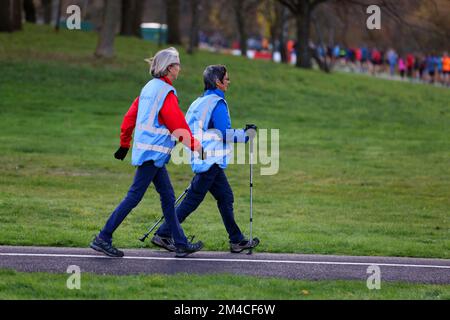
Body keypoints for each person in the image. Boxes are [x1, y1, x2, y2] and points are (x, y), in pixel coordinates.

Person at [90, 47, 204, 258]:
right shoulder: (166, 92)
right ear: (170, 68)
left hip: (150, 153)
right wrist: (194, 145)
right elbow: (176, 123)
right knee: (134, 196)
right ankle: (103, 237)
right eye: (178, 65)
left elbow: (129, 117)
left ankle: (180, 242)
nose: (180, 69)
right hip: (153, 153)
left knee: (168, 197)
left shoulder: (148, 88)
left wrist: (125, 143)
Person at [152, 65, 260, 254]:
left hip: (203, 157)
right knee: (192, 200)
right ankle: (164, 233)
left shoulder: (198, 102)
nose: (229, 82)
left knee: (225, 197)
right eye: (226, 79)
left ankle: (237, 240)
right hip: (210, 158)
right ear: (218, 82)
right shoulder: (217, 103)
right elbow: (225, 133)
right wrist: (246, 135)